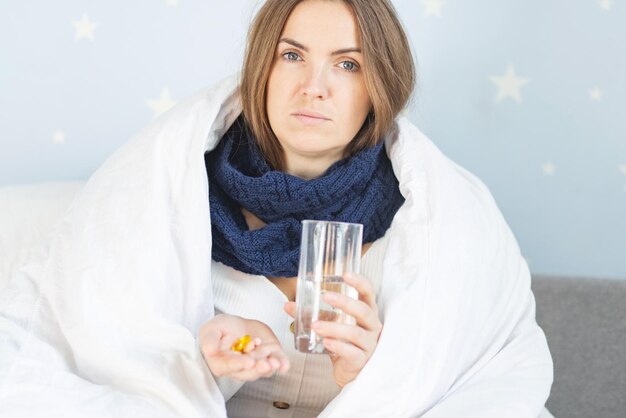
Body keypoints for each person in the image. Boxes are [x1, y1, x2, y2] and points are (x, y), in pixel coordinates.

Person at [0, 0, 553, 417]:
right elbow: (87, 346)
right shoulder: (171, 192)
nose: (314, 87)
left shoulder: (437, 222)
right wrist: (206, 364)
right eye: (292, 56)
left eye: (348, 65)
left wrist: (371, 372)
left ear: (381, 85)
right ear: (262, 70)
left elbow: (488, 379)